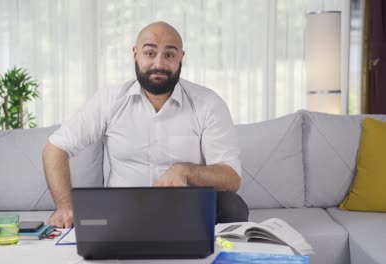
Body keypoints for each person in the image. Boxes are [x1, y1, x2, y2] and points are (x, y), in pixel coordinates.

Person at [43, 21, 248, 228]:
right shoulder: (109, 100)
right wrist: (64, 206)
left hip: (186, 213)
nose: (158, 64)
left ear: (181, 58)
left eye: (169, 55)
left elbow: (231, 177)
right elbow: (55, 148)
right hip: (122, 215)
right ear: (135, 54)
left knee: (232, 206)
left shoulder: (208, 104)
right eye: (150, 53)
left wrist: (186, 171)